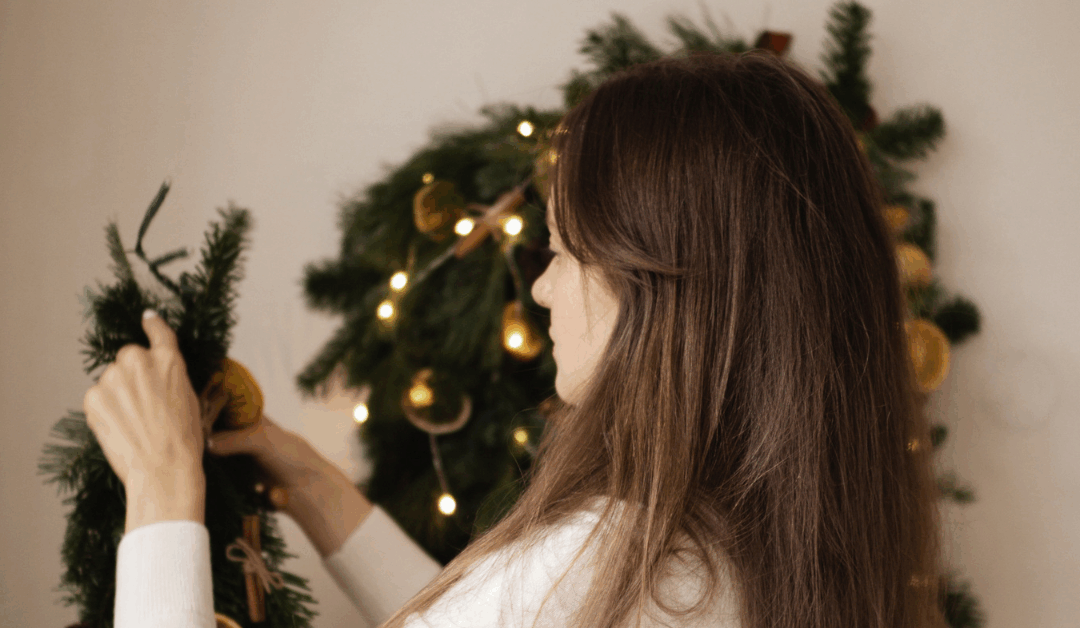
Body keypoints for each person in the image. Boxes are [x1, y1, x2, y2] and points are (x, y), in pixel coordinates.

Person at [83, 50, 947, 628]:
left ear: (662, 288)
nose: (539, 286)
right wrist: (307, 478)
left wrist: (162, 493)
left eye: (566, 253)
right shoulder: (735, 556)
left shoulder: (622, 559)